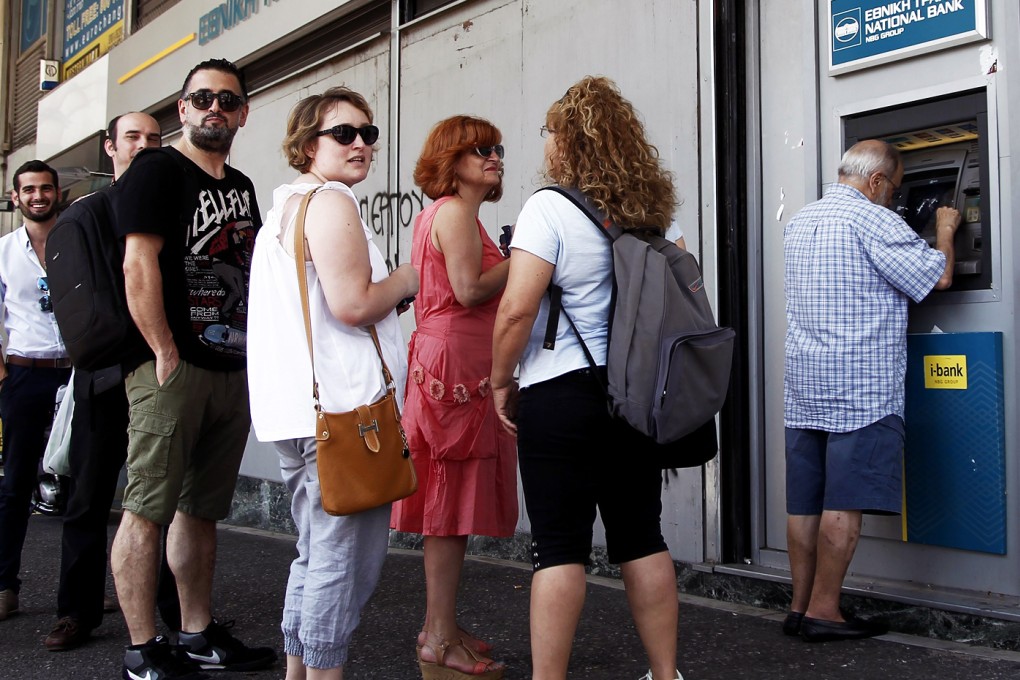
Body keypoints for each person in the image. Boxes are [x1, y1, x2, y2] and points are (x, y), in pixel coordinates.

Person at [490, 76, 683, 680]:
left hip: (561, 395)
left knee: (559, 546)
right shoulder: (650, 214)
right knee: (642, 538)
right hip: (634, 397)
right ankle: (665, 673)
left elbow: (517, 309)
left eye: (549, 130)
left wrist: (500, 380)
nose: (543, 140)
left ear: (568, 141)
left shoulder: (548, 207)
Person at [109, 58, 276, 679]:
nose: (215, 109)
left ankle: (197, 632)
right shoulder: (155, 170)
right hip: (171, 368)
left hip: (229, 368)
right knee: (147, 506)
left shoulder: (241, 186)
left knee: (201, 510)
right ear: (181, 110)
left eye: (227, 101)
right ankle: (142, 647)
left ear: (243, 114)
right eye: (202, 98)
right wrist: (164, 352)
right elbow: (138, 266)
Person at [247, 86, 418, 680]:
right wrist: (407, 278)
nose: (361, 144)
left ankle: (301, 671)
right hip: (344, 418)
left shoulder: (285, 209)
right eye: (343, 133)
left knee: (315, 554)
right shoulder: (331, 202)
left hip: (300, 416)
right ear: (306, 143)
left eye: (368, 133)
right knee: (343, 565)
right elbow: (353, 305)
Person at [782, 139, 961, 642]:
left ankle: (797, 609)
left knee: (805, 504)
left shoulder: (801, 221)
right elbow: (939, 276)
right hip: (858, 388)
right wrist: (945, 230)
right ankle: (824, 611)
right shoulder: (873, 220)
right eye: (895, 188)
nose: (896, 200)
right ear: (876, 181)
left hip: (805, 385)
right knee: (844, 503)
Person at [44, 112, 184, 652]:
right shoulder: (89, 214)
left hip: (162, 373)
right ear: (110, 148)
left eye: (154, 138)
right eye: (133, 138)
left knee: (165, 501)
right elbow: (93, 304)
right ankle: (75, 612)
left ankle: (178, 613)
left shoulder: (168, 205)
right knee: (88, 499)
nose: (145, 145)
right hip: (105, 379)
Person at [390, 115, 516, 679]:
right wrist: (527, 260)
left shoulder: (440, 214)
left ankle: (441, 624)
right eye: (480, 150)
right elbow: (468, 290)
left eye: (497, 149)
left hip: (446, 363)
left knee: (450, 503)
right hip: (457, 369)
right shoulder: (456, 212)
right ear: (451, 160)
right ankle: (438, 636)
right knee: (447, 506)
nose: (494, 157)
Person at [0, 160, 70, 622]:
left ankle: (79, 593)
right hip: (25, 374)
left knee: (84, 488)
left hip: (77, 374)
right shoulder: (4, 250)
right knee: (15, 484)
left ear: (57, 193)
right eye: (29, 190)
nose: (38, 196)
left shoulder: (76, 242)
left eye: (46, 188)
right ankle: (5, 586)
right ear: (16, 196)